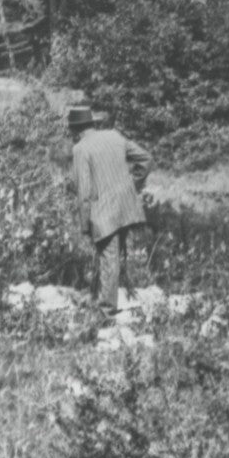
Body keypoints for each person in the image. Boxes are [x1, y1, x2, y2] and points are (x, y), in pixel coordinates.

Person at [67, 106, 152, 315]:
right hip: (125, 206)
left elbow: (84, 191)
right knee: (112, 255)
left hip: (103, 212)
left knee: (108, 256)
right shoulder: (114, 136)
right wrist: (133, 185)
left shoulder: (80, 149)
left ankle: (106, 309)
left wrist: (85, 224)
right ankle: (102, 297)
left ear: (75, 130)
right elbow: (146, 159)